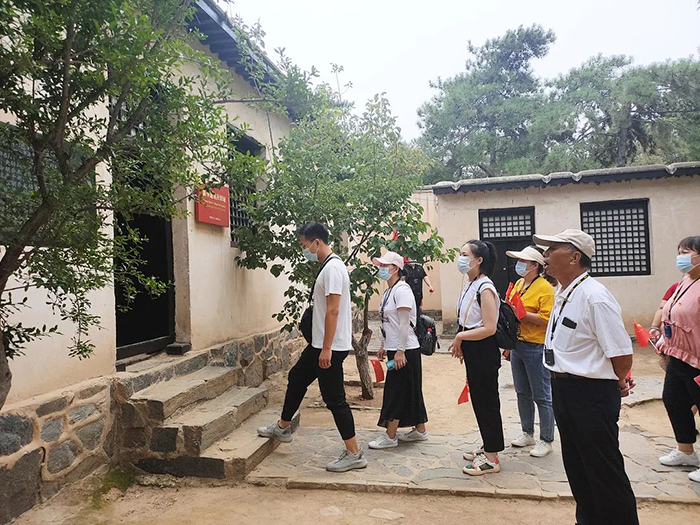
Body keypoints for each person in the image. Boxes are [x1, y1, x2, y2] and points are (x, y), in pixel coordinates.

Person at [533, 228, 638, 525]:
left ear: (574, 257)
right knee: (578, 469)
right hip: (564, 389)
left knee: (604, 471)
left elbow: (621, 353)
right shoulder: (563, 292)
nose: (545, 255)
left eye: (552, 249)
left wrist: (618, 379)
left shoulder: (595, 297)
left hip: (590, 394)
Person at [257, 222, 367, 473]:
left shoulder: (333, 269)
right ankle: (283, 427)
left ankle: (354, 453)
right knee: (297, 378)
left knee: (334, 399)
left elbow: (333, 310)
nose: (304, 249)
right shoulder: (329, 266)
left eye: (305, 245)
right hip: (320, 344)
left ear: (317, 242)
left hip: (328, 346)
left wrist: (326, 349)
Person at [450, 239, 504, 475]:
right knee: (480, 400)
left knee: (487, 402)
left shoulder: (485, 288)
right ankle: (488, 444)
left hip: (484, 349)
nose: (460, 259)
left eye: (465, 255)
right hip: (474, 348)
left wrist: (461, 336)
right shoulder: (470, 284)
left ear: (478, 260)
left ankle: (492, 457)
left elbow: (489, 328)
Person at [368, 251, 429, 449]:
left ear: (395, 269)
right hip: (395, 348)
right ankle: (420, 430)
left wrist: (400, 351)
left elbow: (404, 323)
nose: (380, 269)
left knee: (395, 390)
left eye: (384, 266)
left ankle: (391, 435)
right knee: (410, 389)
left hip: (406, 349)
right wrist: (383, 345)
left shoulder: (402, 290)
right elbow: (387, 322)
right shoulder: (389, 291)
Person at [504, 245, 555, 458]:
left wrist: (522, 314)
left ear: (535, 265)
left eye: (523, 261)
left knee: (541, 395)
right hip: (518, 345)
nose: (519, 265)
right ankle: (527, 432)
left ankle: (546, 439)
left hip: (536, 346)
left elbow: (547, 319)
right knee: (522, 392)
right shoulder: (519, 283)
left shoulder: (545, 288)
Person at [657, 236, 700, 484]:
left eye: (687, 252)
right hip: (678, 356)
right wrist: (664, 340)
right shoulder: (685, 281)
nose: (681, 257)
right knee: (674, 400)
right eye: (679, 251)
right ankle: (686, 450)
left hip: (698, 360)